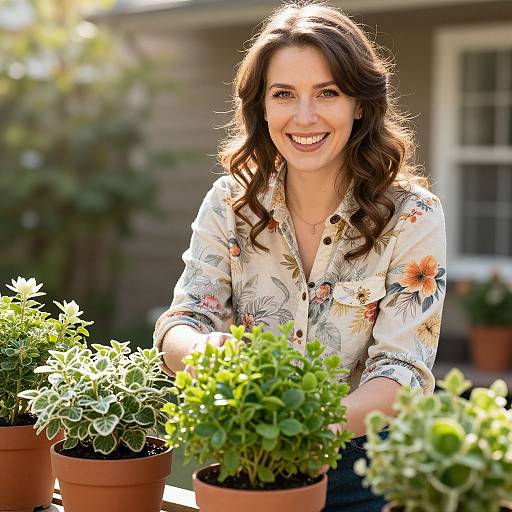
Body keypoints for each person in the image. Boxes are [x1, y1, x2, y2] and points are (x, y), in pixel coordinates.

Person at [153, 1, 447, 510]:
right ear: (262, 107)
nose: (304, 116)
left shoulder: (412, 215)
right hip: (245, 465)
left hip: (367, 475)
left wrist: (300, 432)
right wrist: (199, 351)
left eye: (327, 93)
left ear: (359, 104)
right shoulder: (230, 203)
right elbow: (182, 321)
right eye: (284, 94)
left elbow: (402, 372)